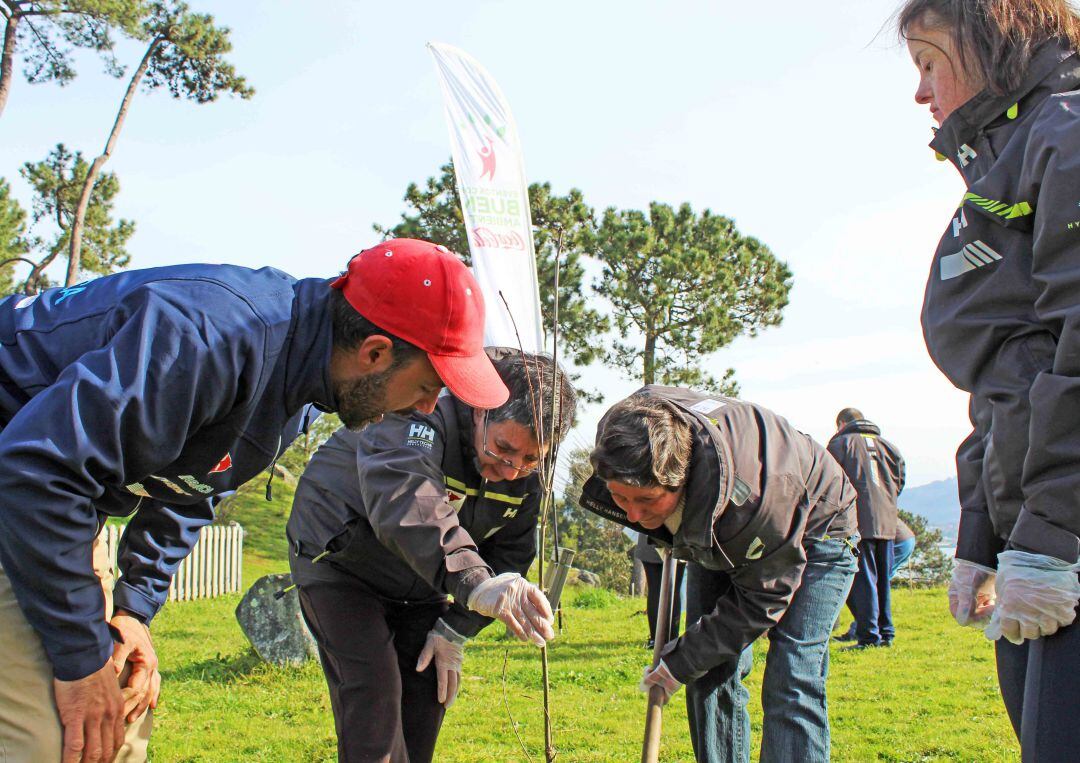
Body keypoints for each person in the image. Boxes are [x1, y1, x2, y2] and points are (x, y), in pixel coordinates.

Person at [0, 238, 509, 763]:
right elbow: (34, 469)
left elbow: (197, 481)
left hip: (55, 499)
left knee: (122, 718)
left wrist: (132, 607)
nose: (430, 406)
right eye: (428, 385)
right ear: (375, 352)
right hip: (22, 483)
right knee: (55, 737)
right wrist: (80, 661)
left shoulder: (309, 380)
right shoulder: (212, 339)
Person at [898, 0, 1080, 757]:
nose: (920, 92)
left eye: (928, 61)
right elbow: (1009, 373)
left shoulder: (1066, 136)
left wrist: (1055, 531)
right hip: (1035, 527)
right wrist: (983, 529)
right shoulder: (1012, 158)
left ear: (992, 39)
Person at [287, 348, 573, 762]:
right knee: (374, 694)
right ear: (479, 411)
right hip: (340, 562)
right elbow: (406, 500)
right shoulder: (421, 408)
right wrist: (473, 583)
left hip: (425, 580)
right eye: (502, 449)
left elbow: (510, 552)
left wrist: (455, 628)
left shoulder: (528, 468)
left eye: (530, 460)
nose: (512, 469)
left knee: (426, 696)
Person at [579, 386, 858, 763]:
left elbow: (762, 598)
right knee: (706, 671)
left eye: (646, 500)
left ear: (682, 481)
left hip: (818, 526)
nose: (631, 514)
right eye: (620, 496)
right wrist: (687, 662)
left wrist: (681, 660)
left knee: (792, 675)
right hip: (721, 520)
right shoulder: (623, 430)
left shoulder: (754, 502)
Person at [827, 408, 906, 647]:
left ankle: (869, 635)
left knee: (863, 581)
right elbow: (900, 480)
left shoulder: (840, 444)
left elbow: (829, 480)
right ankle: (886, 632)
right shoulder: (889, 446)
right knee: (883, 580)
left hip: (858, 521)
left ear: (841, 423)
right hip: (888, 522)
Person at [835, 516, 917, 642]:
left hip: (895, 539)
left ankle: (863, 629)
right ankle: (869, 628)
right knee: (871, 585)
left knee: (866, 586)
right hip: (899, 537)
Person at [634, 532, 686, 649]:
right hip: (673, 538)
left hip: (653, 538)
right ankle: (671, 638)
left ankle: (656, 639)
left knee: (656, 589)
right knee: (672, 589)